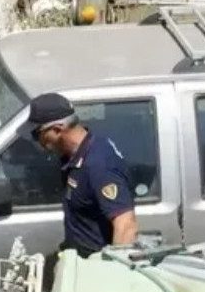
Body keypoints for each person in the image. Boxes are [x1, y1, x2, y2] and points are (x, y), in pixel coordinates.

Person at [28, 92, 138, 257]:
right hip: (76, 259)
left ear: (57, 130)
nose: (39, 143)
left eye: (38, 134)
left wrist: (114, 274)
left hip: (94, 268)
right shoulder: (77, 153)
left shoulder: (99, 165)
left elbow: (126, 225)